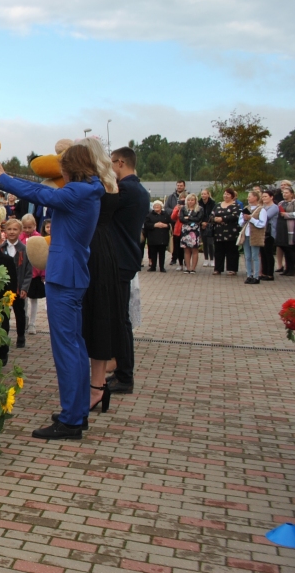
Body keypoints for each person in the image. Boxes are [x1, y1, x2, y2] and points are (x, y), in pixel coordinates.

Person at [0, 143, 104, 440]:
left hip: (64, 276)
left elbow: (41, 194)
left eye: (62, 164)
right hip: (73, 273)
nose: (59, 169)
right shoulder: (89, 188)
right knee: (75, 347)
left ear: (71, 167)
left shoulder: (77, 191)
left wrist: (0, 177)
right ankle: (77, 412)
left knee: (66, 349)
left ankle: (71, 420)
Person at [74, 137, 122, 414]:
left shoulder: (89, 185)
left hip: (91, 249)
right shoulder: (109, 181)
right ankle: (98, 385)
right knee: (101, 315)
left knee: (94, 316)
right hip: (105, 247)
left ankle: (95, 388)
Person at [107, 146, 150, 398]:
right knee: (120, 320)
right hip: (125, 258)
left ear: (120, 162)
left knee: (120, 321)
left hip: (119, 260)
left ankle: (125, 375)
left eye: (111, 164)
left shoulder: (126, 189)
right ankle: (122, 370)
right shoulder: (139, 189)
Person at [1, 218, 32, 349]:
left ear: (20, 231)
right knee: (3, 313)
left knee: (20, 312)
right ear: (5, 231)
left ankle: (20, 335)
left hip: (19, 287)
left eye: (15, 229)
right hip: (5, 287)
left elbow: (28, 271)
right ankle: (3, 336)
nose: (12, 232)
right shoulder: (1, 248)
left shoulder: (24, 249)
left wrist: (25, 287)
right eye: (9, 229)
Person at [0, 229, 18, 365]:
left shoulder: (7, 260)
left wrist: (8, 299)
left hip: (1, 302)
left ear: (0, 241)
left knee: (2, 326)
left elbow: (12, 281)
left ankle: (2, 352)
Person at [239, 190, 267, 284]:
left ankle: (256, 276)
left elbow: (262, 224)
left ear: (255, 197)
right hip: (246, 234)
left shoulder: (261, 209)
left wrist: (251, 219)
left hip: (255, 235)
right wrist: (244, 219)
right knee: (247, 256)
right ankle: (249, 275)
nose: (248, 198)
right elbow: (240, 223)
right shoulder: (246, 209)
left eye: (250, 196)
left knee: (255, 256)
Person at [212, 188, 241, 275]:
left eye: (228, 194)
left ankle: (232, 269)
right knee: (218, 251)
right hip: (218, 232)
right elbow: (212, 215)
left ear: (232, 196)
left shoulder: (236, 206)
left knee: (231, 251)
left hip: (231, 232)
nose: (225, 195)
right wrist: (215, 219)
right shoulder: (218, 205)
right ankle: (218, 269)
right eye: (225, 194)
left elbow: (235, 216)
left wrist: (222, 218)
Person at [178, 194, 203, 273]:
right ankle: (188, 267)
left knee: (194, 249)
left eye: (192, 200)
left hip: (195, 230)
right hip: (185, 230)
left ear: (195, 200)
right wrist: (191, 220)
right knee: (186, 250)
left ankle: (193, 268)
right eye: (189, 200)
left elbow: (198, 218)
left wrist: (188, 218)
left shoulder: (199, 209)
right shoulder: (183, 208)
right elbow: (181, 218)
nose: (190, 202)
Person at [144, 201, 171, 272]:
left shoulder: (166, 214)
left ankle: (162, 267)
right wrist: (154, 225)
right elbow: (146, 224)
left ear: (161, 207)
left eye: (158, 206)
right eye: (155, 206)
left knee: (162, 253)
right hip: (153, 237)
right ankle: (153, 266)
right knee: (153, 253)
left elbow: (170, 223)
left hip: (163, 237)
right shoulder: (149, 215)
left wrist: (166, 225)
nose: (156, 207)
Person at [165, 180, 187, 266]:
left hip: (185, 223)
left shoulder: (188, 196)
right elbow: (166, 208)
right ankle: (174, 258)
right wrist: (175, 211)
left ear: (184, 186)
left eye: (181, 185)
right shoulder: (171, 197)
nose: (179, 187)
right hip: (174, 222)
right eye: (178, 185)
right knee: (175, 241)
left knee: (185, 243)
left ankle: (185, 259)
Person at [259, 190, 279, 281]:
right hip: (262, 232)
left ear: (271, 197)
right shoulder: (263, 207)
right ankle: (264, 272)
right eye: (263, 197)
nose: (264, 198)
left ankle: (270, 274)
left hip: (270, 232)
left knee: (268, 253)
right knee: (262, 253)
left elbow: (265, 217)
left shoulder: (274, 207)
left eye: (266, 196)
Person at [277, 185, 295, 276]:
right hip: (282, 228)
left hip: (291, 228)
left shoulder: (293, 203)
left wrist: (287, 215)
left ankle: (292, 269)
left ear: (292, 194)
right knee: (285, 248)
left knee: (290, 249)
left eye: (287, 193)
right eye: (283, 192)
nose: (284, 194)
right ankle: (287, 268)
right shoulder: (280, 203)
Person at [198, 189, 216, 267]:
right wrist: (201, 223)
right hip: (201, 224)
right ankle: (205, 258)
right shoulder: (199, 203)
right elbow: (198, 214)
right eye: (202, 194)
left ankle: (212, 259)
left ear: (208, 195)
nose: (203, 195)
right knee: (204, 242)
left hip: (210, 224)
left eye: (205, 194)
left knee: (210, 243)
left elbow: (213, 214)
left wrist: (207, 222)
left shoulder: (213, 203)